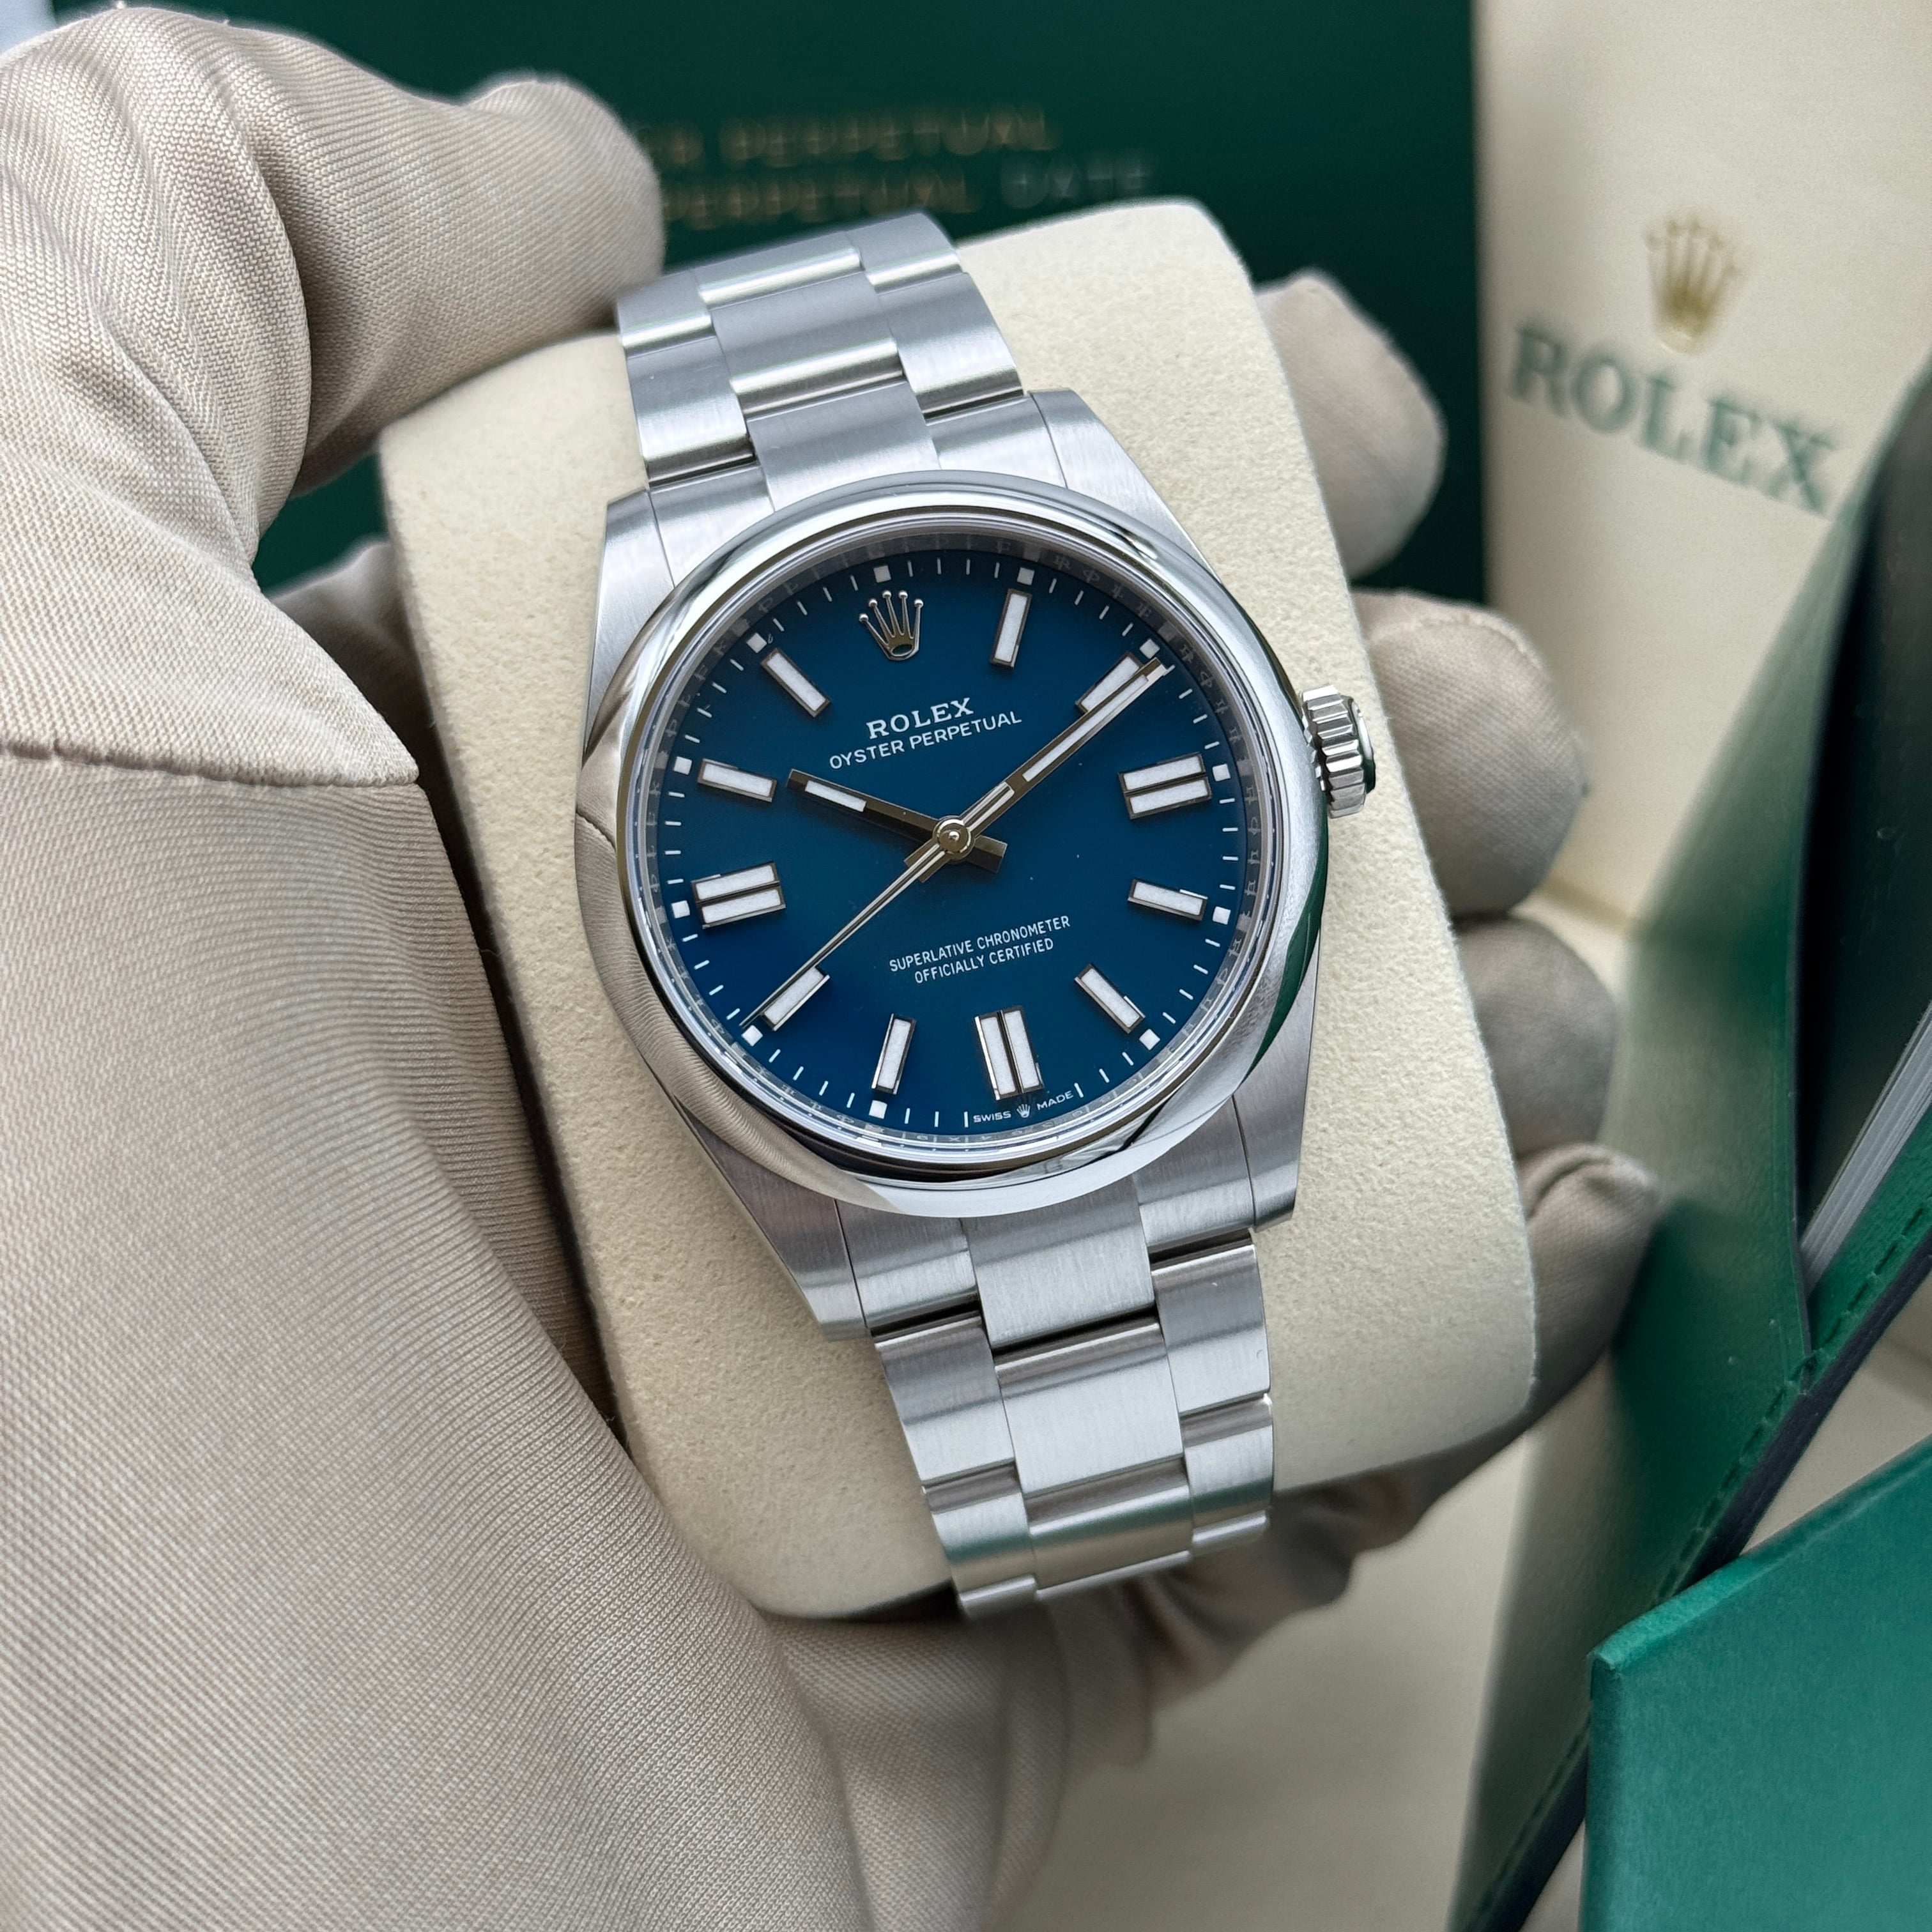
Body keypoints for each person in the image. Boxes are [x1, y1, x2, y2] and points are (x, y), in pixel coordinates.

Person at [0, 12, 1656, 1926]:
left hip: (1157, 1079)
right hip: (857, 1155)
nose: (956, 846)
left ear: (1313, 751)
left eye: (970, 831)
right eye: (933, 841)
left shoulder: (1123, 658)